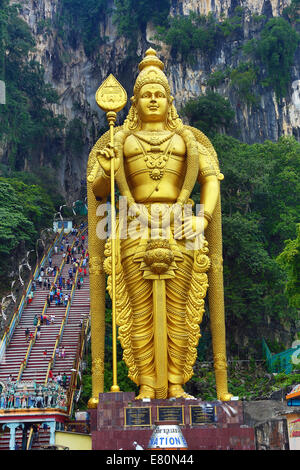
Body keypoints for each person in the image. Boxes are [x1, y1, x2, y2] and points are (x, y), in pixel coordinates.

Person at [87, 49, 232, 403]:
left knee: (181, 309)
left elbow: (211, 179)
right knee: (138, 311)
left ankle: (177, 383)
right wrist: (108, 168)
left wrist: (204, 216)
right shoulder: (119, 140)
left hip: (180, 226)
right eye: (146, 95)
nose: (153, 100)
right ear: (134, 101)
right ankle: (147, 385)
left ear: (170, 100)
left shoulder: (189, 141)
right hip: (134, 229)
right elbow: (98, 191)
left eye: (159, 94)